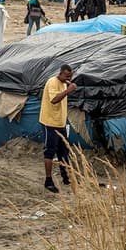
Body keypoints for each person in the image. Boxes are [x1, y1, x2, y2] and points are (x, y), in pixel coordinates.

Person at [40, 64, 77, 192]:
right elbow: (54, 100)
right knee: (50, 151)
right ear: (60, 73)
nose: (68, 79)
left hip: (60, 124)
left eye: (70, 77)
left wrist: (67, 87)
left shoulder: (63, 83)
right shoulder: (52, 82)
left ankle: (66, 177)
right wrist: (69, 90)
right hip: (49, 123)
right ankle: (48, 180)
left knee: (64, 152)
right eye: (66, 76)